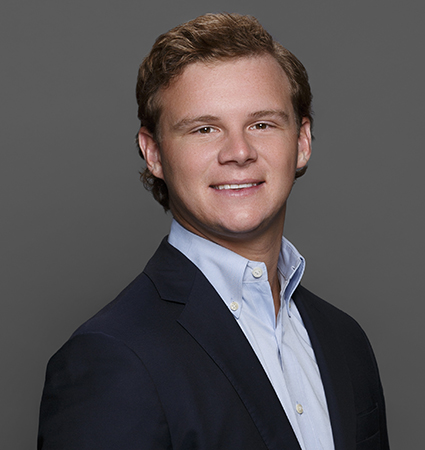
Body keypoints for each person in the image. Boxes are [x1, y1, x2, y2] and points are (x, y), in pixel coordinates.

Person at [38, 13, 389, 450]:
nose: (239, 152)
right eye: (205, 129)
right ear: (154, 153)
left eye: (262, 124)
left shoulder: (344, 340)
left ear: (302, 142)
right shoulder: (111, 357)